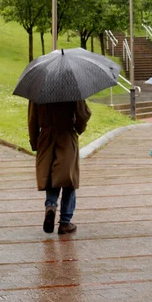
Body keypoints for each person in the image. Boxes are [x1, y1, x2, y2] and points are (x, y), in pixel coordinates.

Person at [28, 100, 91, 235]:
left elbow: (32, 119)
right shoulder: (71, 88)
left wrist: (34, 142)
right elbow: (83, 114)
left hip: (46, 138)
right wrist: (78, 127)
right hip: (66, 135)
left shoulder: (39, 91)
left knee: (51, 177)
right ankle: (65, 222)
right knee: (68, 179)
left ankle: (50, 206)